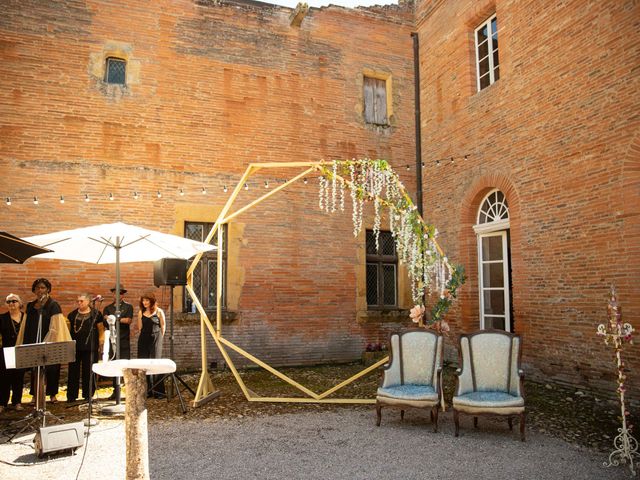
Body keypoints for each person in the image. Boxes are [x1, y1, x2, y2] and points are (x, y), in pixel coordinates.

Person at [17, 278, 71, 403]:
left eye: (43, 287)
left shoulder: (53, 305)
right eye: (37, 288)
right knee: (35, 369)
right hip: (33, 340)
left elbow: (56, 326)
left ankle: (52, 394)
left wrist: (48, 341)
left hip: (49, 341)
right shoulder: (30, 305)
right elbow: (26, 325)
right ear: (34, 290)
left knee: (52, 368)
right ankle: (35, 395)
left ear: (48, 289)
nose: (40, 290)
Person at [67, 293, 103, 403]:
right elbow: (68, 331)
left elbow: (101, 328)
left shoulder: (96, 314)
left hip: (90, 347)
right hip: (75, 347)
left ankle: (88, 394)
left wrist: (101, 341)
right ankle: (72, 395)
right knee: (73, 371)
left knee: (88, 371)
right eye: (78, 301)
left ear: (88, 301)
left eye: (81, 301)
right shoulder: (72, 315)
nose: (79, 303)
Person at [103, 285, 134, 397]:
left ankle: (128, 390)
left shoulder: (128, 307)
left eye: (120, 293)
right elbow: (105, 321)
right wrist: (115, 319)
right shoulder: (108, 307)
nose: (118, 295)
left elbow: (128, 320)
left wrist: (115, 319)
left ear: (122, 294)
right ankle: (116, 391)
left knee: (125, 365)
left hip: (124, 339)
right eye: (115, 293)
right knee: (114, 364)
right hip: (113, 340)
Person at [136, 291, 166, 398]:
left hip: (156, 339)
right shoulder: (141, 312)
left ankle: (159, 392)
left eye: (147, 300)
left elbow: (163, 327)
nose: (144, 302)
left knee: (156, 363)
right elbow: (139, 328)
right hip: (144, 339)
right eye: (143, 300)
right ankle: (147, 391)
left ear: (152, 301)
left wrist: (159, 339)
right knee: (143, 364)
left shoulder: (159, 312)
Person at [0, 294, 26, 412]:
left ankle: (17, 402)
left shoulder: (26, 317)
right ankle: (2, 403)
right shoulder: (2, 318)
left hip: (21, 351)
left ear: (19, 303)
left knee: (18, 377)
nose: (11, 304)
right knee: (4, 378)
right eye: (8, 302)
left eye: (14, 301)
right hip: (7, 351)